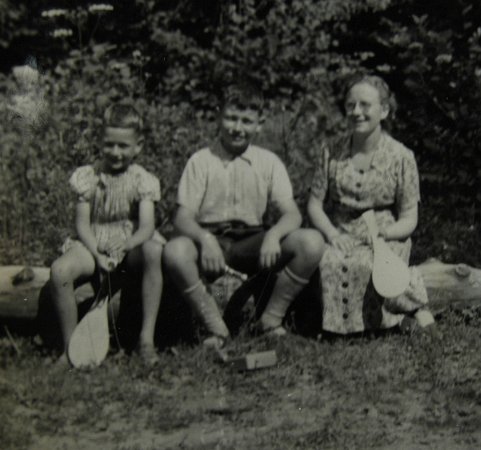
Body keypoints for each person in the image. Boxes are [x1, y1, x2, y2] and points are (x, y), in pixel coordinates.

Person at [163, 81, 325, 348]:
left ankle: (270, 320)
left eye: (246, 121)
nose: (237, 128)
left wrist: (273, 235)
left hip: (252, 241)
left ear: (259, 124)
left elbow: (292, 214)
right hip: (211, 241)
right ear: (218, 116)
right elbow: (182, 217)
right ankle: (216, 328)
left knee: (311, 241)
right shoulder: (201, 160)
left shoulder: (268, 161)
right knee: (174, 251)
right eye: (231, 118)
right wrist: (205, 239)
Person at [307, 73, 436, 336]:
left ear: (385, 110)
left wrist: (384, 234)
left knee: (369, 265)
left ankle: (396, 318)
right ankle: (337, 328)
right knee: (329, 261)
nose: (356, 112)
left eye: (365, 105)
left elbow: (409, 218)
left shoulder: (401, 157)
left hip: (386, 234)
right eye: (351, 105)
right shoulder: (330, 150)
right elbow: (314, 205)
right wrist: (332, 234)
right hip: (341, 232)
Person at [50, 102, 164, 366]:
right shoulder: (88, 177)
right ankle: (70, 349)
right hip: (93, 242)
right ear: (100, 141)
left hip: (130, 243)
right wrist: (97, 253)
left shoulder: (142, 179)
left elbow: (147, 227)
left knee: (154, 251)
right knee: (59, 271)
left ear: (138, 145)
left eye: (123, 146)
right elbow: (82, 225)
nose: (115, 152)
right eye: (109, 144)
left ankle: (146, 339)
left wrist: (126, 244)